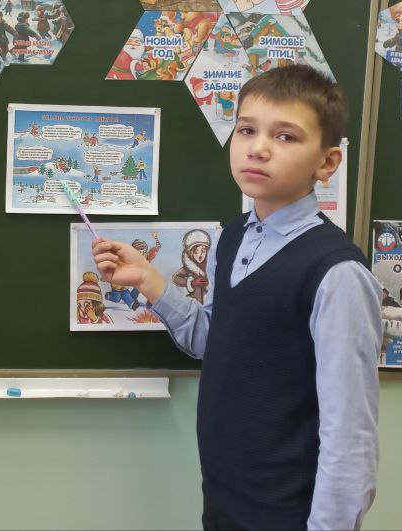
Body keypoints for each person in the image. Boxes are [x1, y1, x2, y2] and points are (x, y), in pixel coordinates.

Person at [91, 65, 379, 530]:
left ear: (326, 163)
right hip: (224, 500)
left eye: (285, 136)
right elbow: (216, 340)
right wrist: (147, 279)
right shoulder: (232, 237)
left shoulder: (336, 273)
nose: (258, 148)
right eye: (247, 130)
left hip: (287, 514)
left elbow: (350, 437)